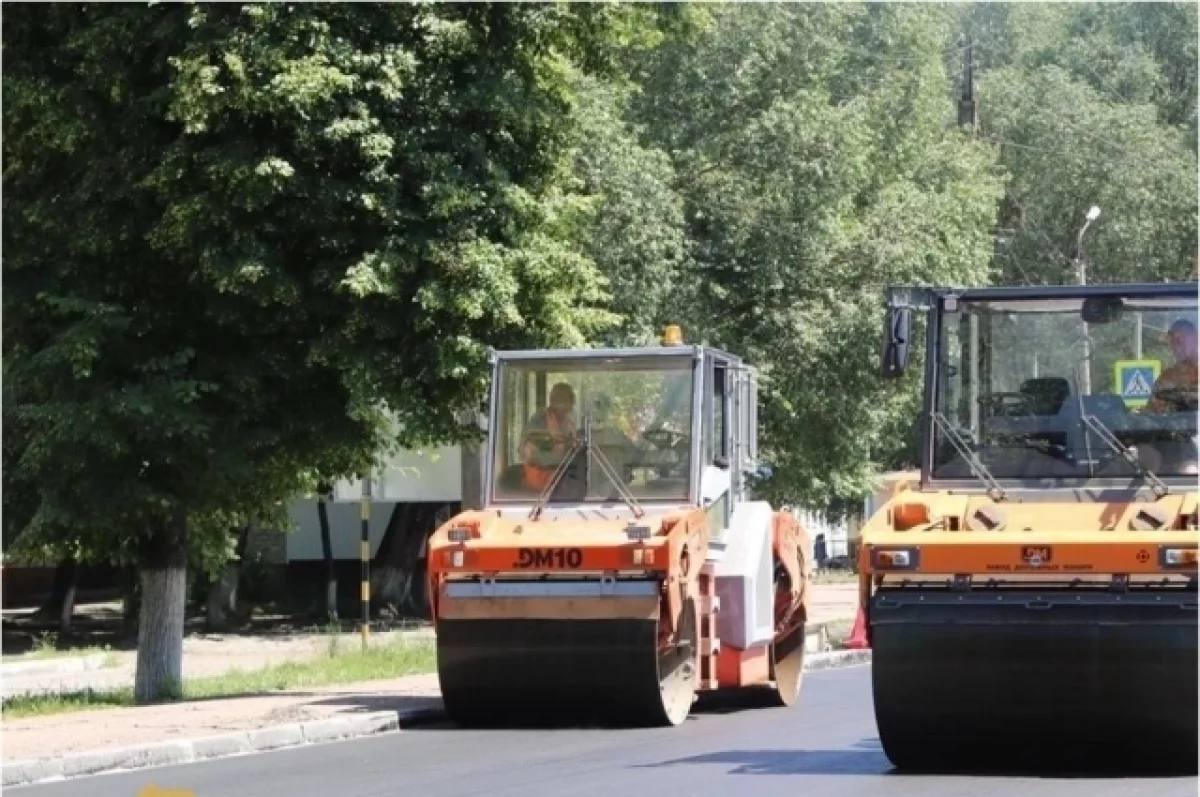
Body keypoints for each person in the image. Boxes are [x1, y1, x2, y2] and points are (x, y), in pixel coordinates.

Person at [520, 382, 578, 491]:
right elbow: (530, 454)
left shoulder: (569, 422)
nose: (558, 402)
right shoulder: (540, 419)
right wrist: (564, 460)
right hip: (538, 490)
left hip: (562, 484)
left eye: (563, 399)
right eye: (556, 398)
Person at [1144, 318, 1198, 414]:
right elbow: (1151, 416)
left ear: (1197, 339)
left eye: (1181, 339)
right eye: (1172, 341)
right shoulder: (1166, 379)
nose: (1176, 345)